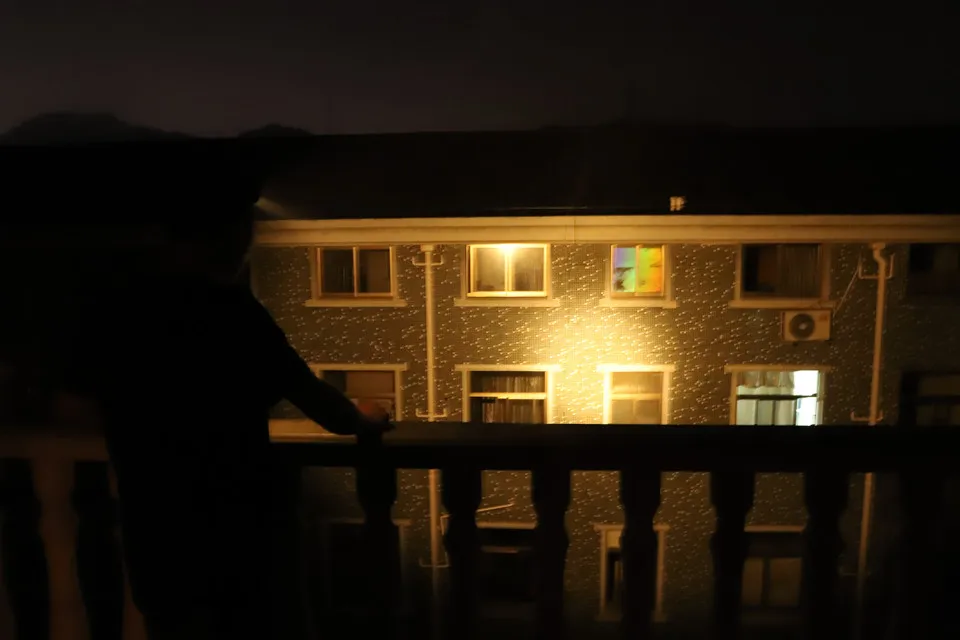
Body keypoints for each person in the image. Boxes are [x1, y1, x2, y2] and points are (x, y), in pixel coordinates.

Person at [54, 196, 392, 640]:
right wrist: (360, 417)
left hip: (154, 515)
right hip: (236, 515)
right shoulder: (233, 312)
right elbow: (311, 396)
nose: (241, 251)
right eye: (237, 239)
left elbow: (72, 400)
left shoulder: (119, 310)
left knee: (172, 619)